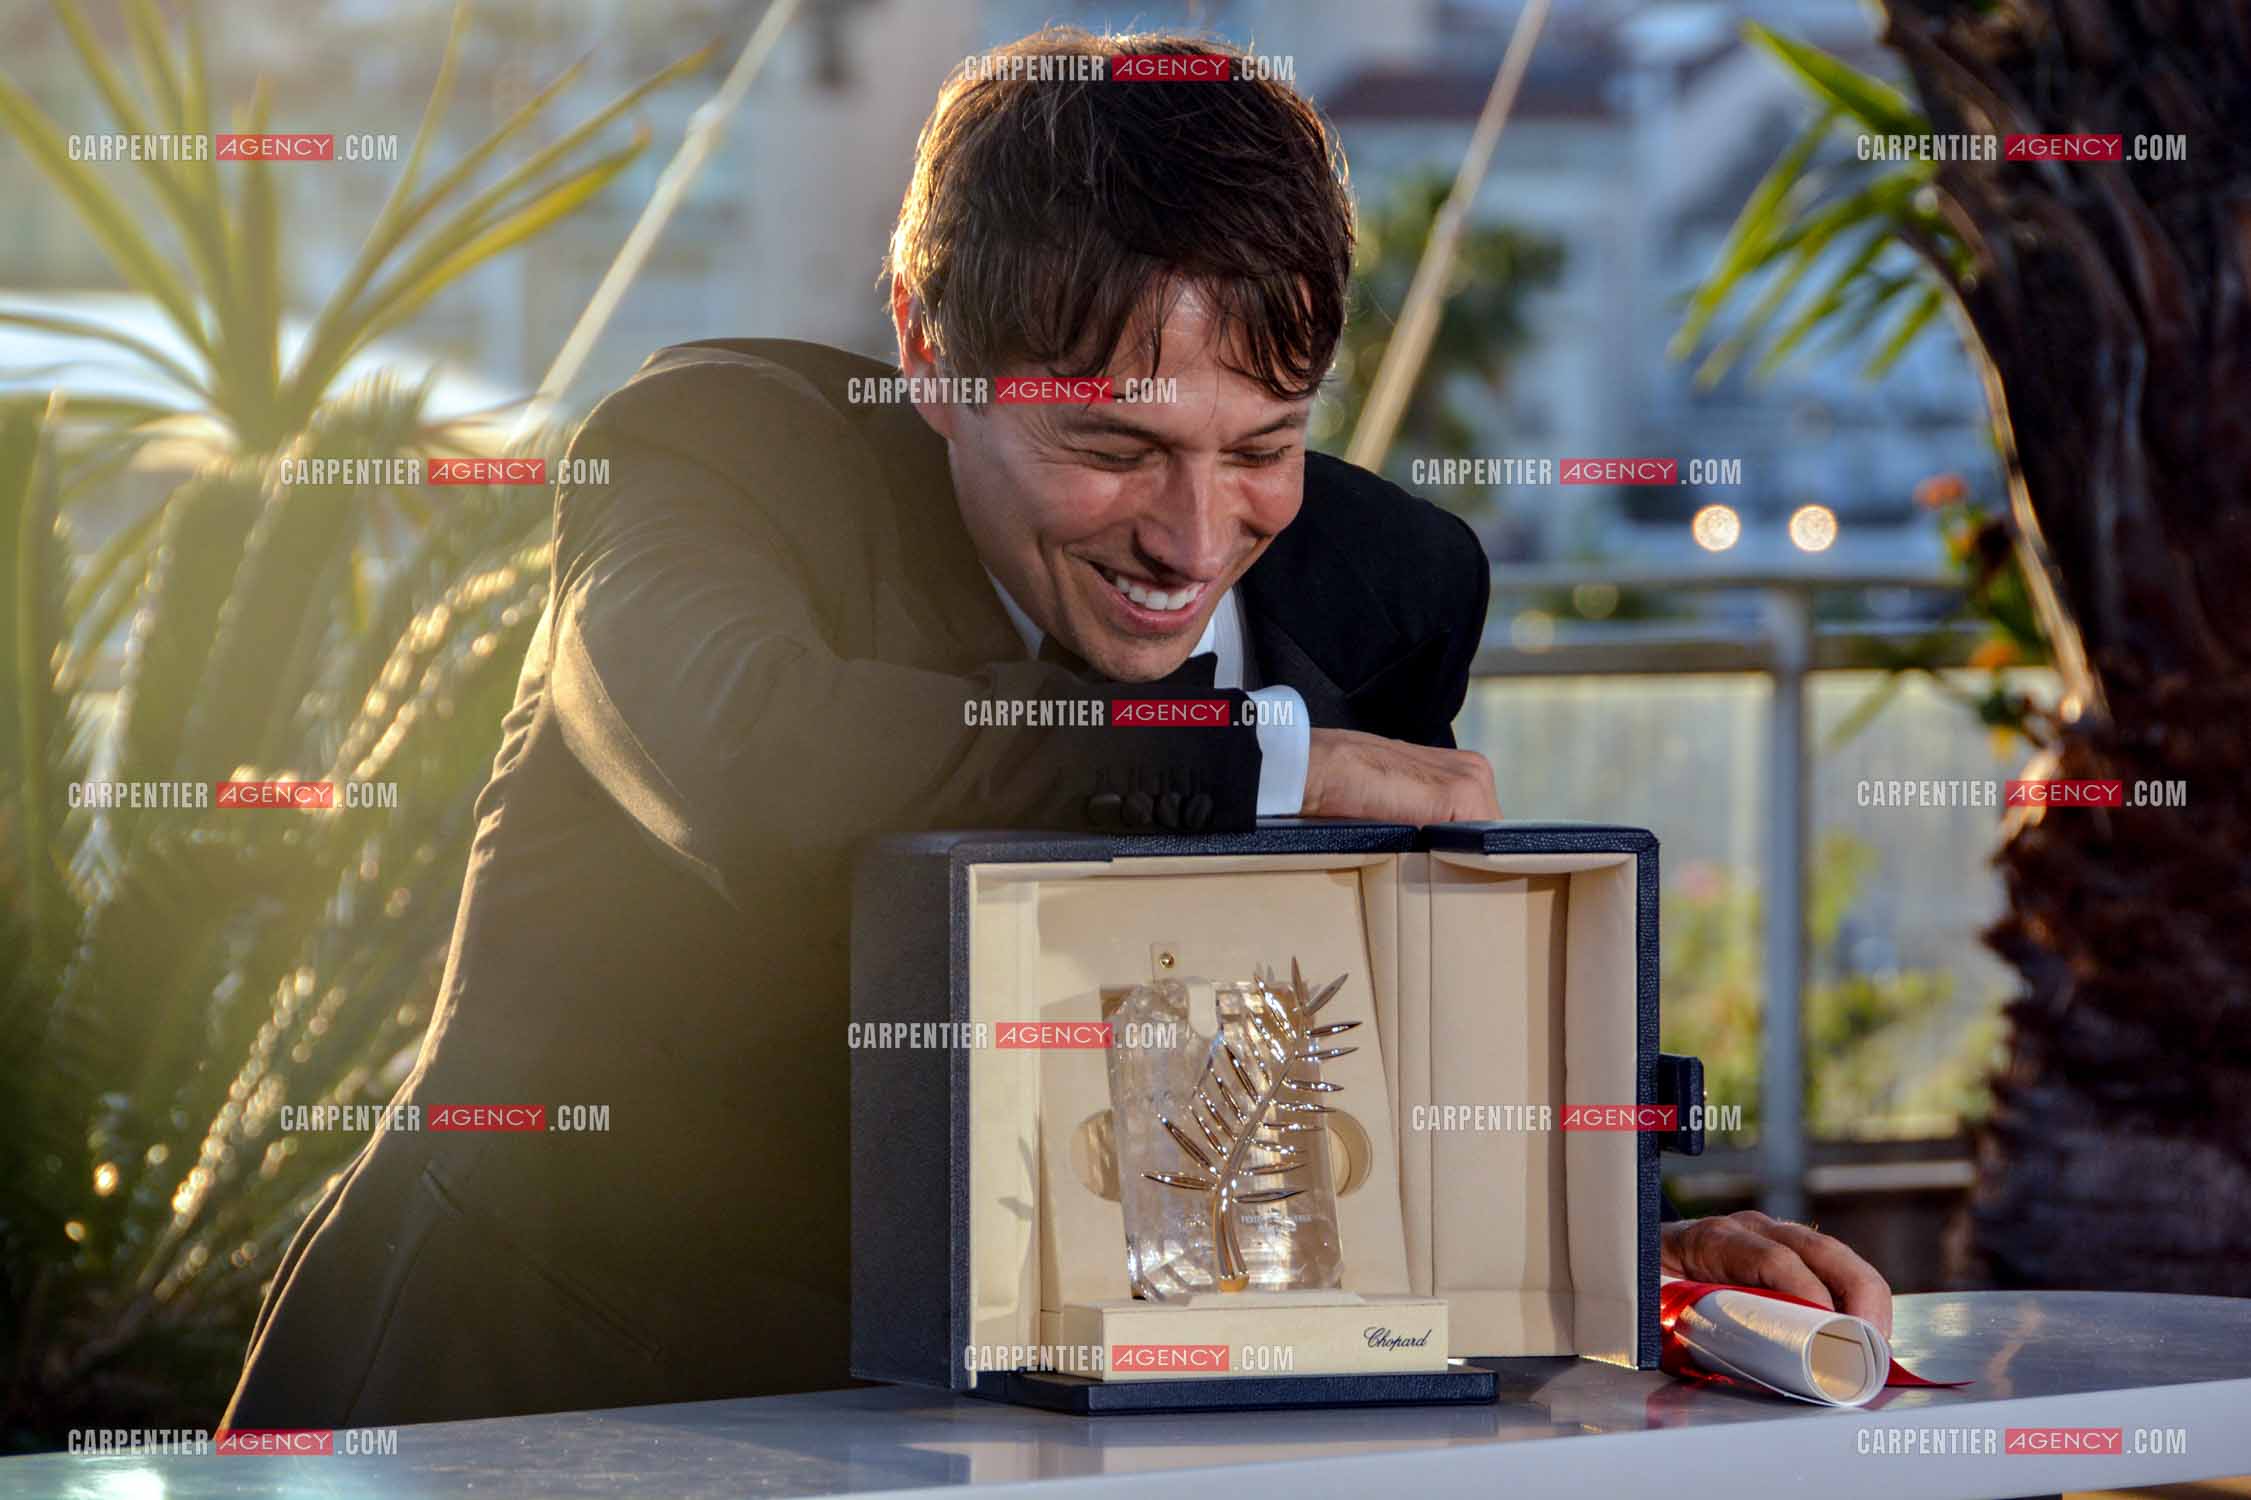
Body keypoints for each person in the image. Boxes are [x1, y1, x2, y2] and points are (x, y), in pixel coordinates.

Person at [220, 26, 1885, 1430]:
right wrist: (1266, 769)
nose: (1195, 532)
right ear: (926, 351)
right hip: (551, 1394)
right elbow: (751, 757)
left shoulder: (1393, 583)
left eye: (1264, 446)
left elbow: (1355, 1049)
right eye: (1110, 446)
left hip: (1029, 1434)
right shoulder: (714, 456)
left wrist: (1616, 1246)